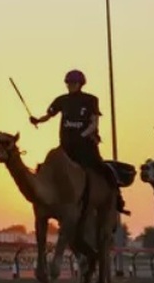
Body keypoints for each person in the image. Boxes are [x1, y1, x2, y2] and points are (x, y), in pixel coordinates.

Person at [29, 69, 129, 215]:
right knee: (47, 167)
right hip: (66, 144)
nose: (70, 86)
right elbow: (48, 116)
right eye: (68, 83)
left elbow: (94, 122)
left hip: (86, 145)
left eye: (73, 83)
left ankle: (117, 198)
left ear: (80, 84)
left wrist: (83, 134)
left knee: (102, 168)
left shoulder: (91, 100)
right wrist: (37, 120)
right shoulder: (61, 100)